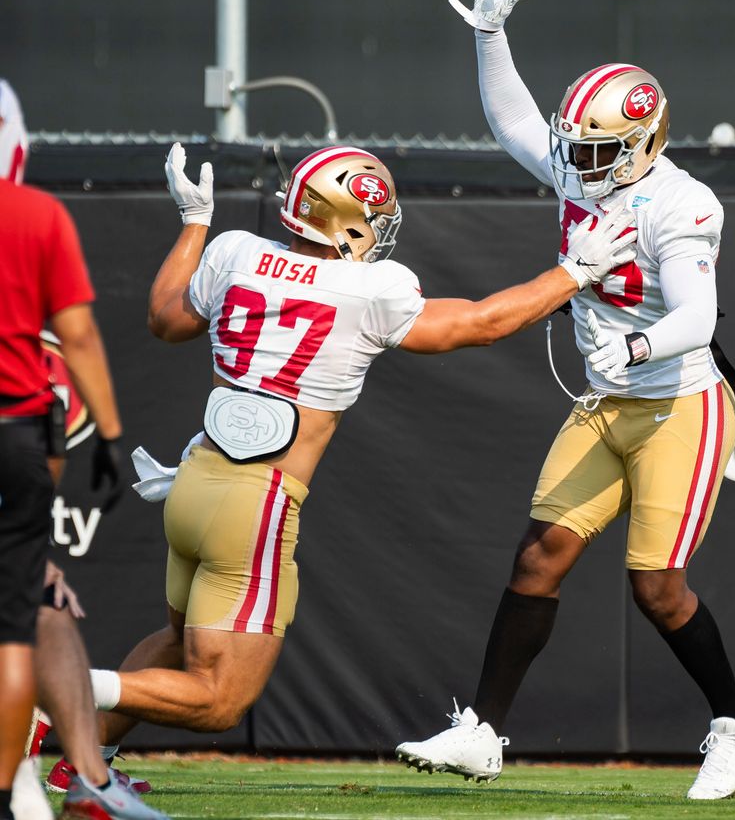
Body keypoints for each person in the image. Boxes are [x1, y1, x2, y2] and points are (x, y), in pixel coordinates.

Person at [84, 141, 636, 755]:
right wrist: (574, 275)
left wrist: (193, 223)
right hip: (258, 503)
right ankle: (68, 688)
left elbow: (165, 318)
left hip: (194, 485)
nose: (379, 230)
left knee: (174, 639)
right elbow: (481, 323)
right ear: (346, 219)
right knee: (219, 699)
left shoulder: (235, 252)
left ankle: (81, 769)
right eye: (373, 217)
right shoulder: (371, 289)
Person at [395, 0, 735, 801]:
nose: (580, 163)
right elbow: (514, 122)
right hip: (607, 397)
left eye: (602, 150)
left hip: (676, 400)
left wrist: (631, 348)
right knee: (540, 557)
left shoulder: (681, 202)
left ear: (646, 142)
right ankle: (483, 731)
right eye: (581, 148)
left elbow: (698, 319)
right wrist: (490, 34)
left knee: (657, 587)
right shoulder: (581, 164)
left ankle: (732, 720)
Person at [0, 80, 167, 820]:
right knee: (23, 616)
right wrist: (108, 431)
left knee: (34, 603)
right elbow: (78, 334)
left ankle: (54, 781)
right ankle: (23, 787)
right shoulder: (35, 214)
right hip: (15, 430)